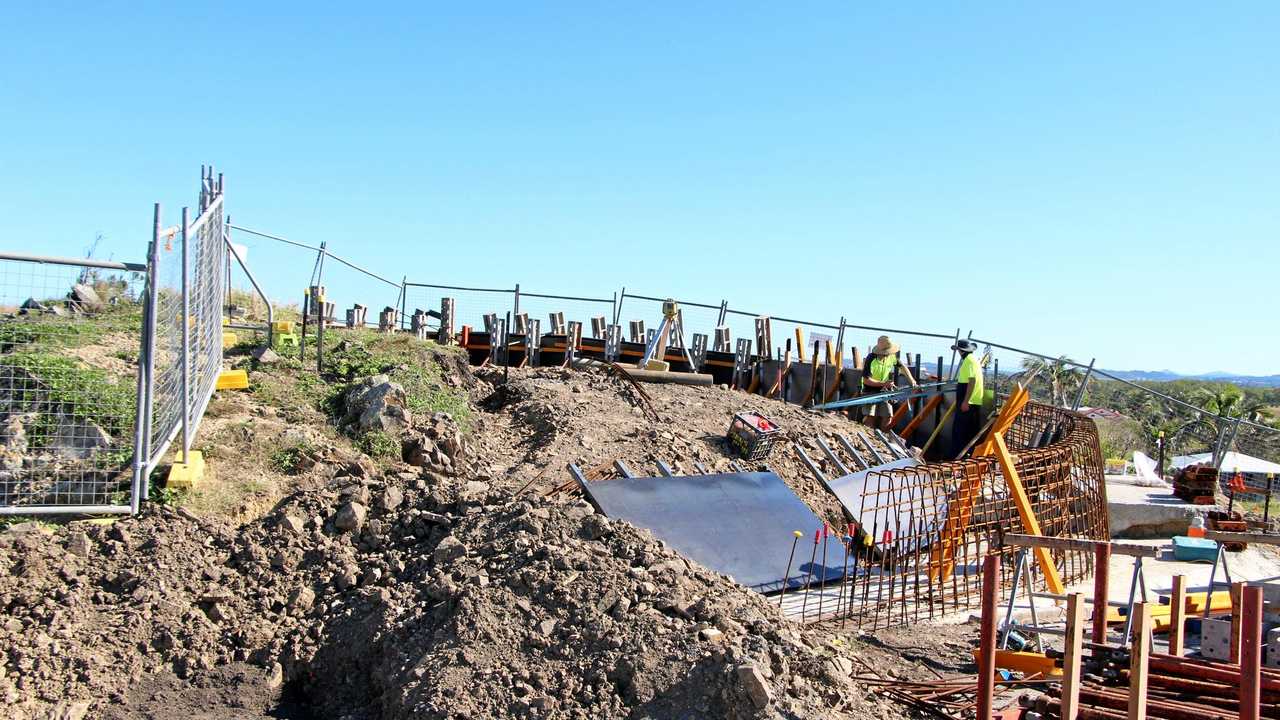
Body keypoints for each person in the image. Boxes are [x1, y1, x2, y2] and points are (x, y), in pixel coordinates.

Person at [861, 335, 917, 430]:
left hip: (884, 390)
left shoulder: (891, 357)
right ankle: (868, 437)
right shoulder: (870, 359)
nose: (888, 354)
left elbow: (902, 367)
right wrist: (884, 383)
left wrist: (912, 380)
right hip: (869, 390)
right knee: (870, 416)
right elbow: (866, 380)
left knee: (888, 415)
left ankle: (883, 437)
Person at [952, 339, 984, 452]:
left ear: (961, 351)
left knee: (960, 432)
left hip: (968, 401)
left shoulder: (968, 361)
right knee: (969, 432)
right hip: (973, 400)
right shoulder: (973, 359)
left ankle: (958, 459)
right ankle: (966, 457)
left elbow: (972, 381)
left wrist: (966, 401)